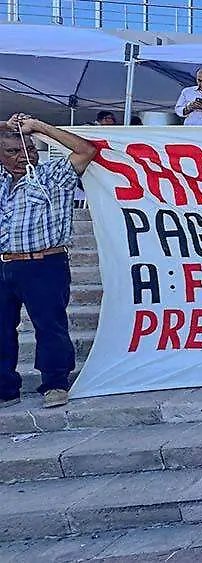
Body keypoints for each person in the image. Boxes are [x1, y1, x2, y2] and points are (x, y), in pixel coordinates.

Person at [1, 114, 97, 409]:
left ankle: (55, 383)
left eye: (29, 150)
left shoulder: (52, 175)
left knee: (50, 326)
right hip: (4, 264)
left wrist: (40, 127)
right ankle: (6, 389)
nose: (23, 157)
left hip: (44, 264)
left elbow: (87, 151)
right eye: (12, 151)